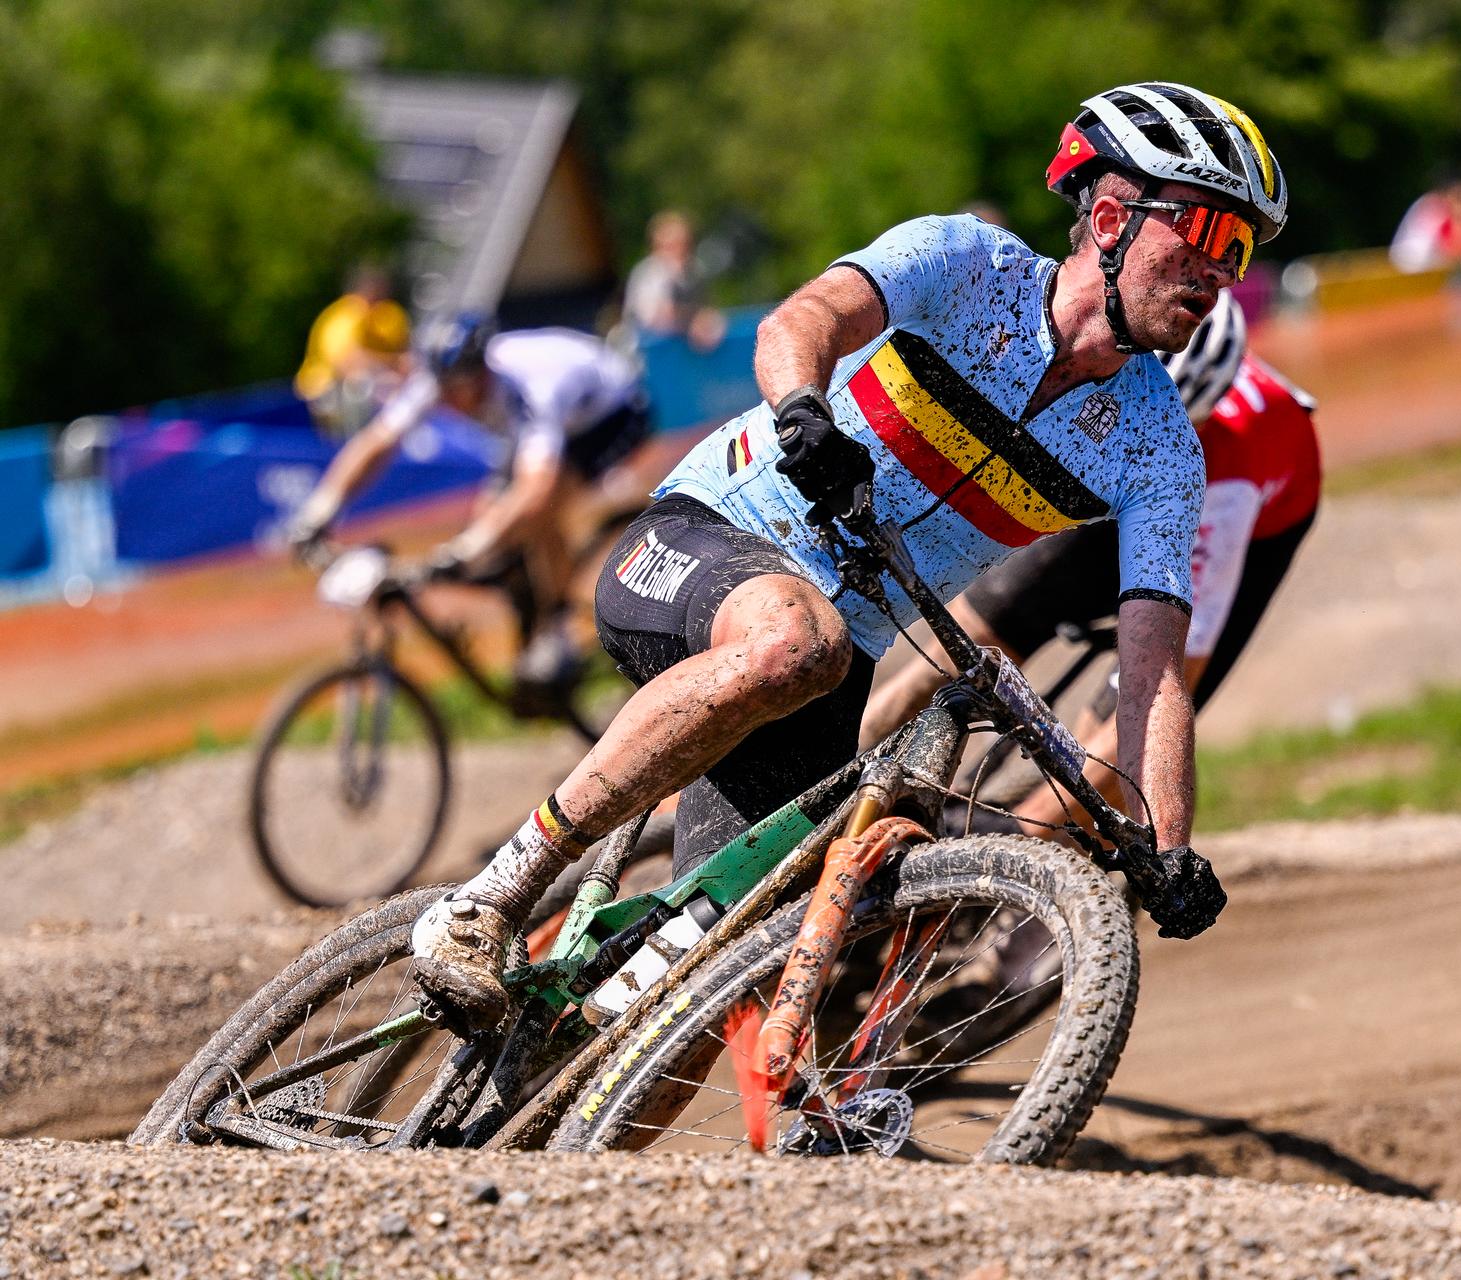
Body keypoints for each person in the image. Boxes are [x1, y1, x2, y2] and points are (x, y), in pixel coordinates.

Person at [408, 80, 1290, 1028]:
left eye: (1238, 251)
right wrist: (802, 412)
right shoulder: (967, 262)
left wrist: (1170, 843)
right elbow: (804, 322)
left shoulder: (1160, 447)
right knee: (801, 641)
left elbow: (1154, 671)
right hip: (710, 536)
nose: (1219, 270)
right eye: (1202, 231)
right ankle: (489, 898)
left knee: (714, 999)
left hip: (831, 668)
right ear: (1110, 217)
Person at [860, 291, 1321, 839]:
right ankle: (826, 788)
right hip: (1123, 489)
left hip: (1251, 524)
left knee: (1135, 723)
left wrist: (1015, 839)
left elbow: (1167, 686)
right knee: (961, 645)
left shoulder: (1233, 474)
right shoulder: (1107, 360)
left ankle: (1027, 852)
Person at [285, 313, 653, 696]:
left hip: (611, 412)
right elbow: (376, 444)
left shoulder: (531, 386)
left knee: (539, 511)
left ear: (482, 376)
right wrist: (319, 511)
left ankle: (556, 626)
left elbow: (536, 490)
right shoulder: (439, 379)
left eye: (458, 392)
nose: (450, 403)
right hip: (531, 430)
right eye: (443, 392)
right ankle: (527, 607)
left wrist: (467, 548)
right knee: (492, 522)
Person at [294, 266, 413, 438]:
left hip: (357, 391)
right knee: (360, 384)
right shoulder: (346, 314)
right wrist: (391, 367)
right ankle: (354, 444)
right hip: (323, 391)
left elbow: (406, 355)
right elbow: (346, 361)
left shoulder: (386, 316)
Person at [623, 210, 726, 350]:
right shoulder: (648, 274)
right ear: (657, 246)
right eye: (672, 245)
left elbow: (707, 310)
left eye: (684, 244)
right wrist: (692, 321)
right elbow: (654, 317)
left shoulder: (695, 271)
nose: (680, 251)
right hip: (646, 354)